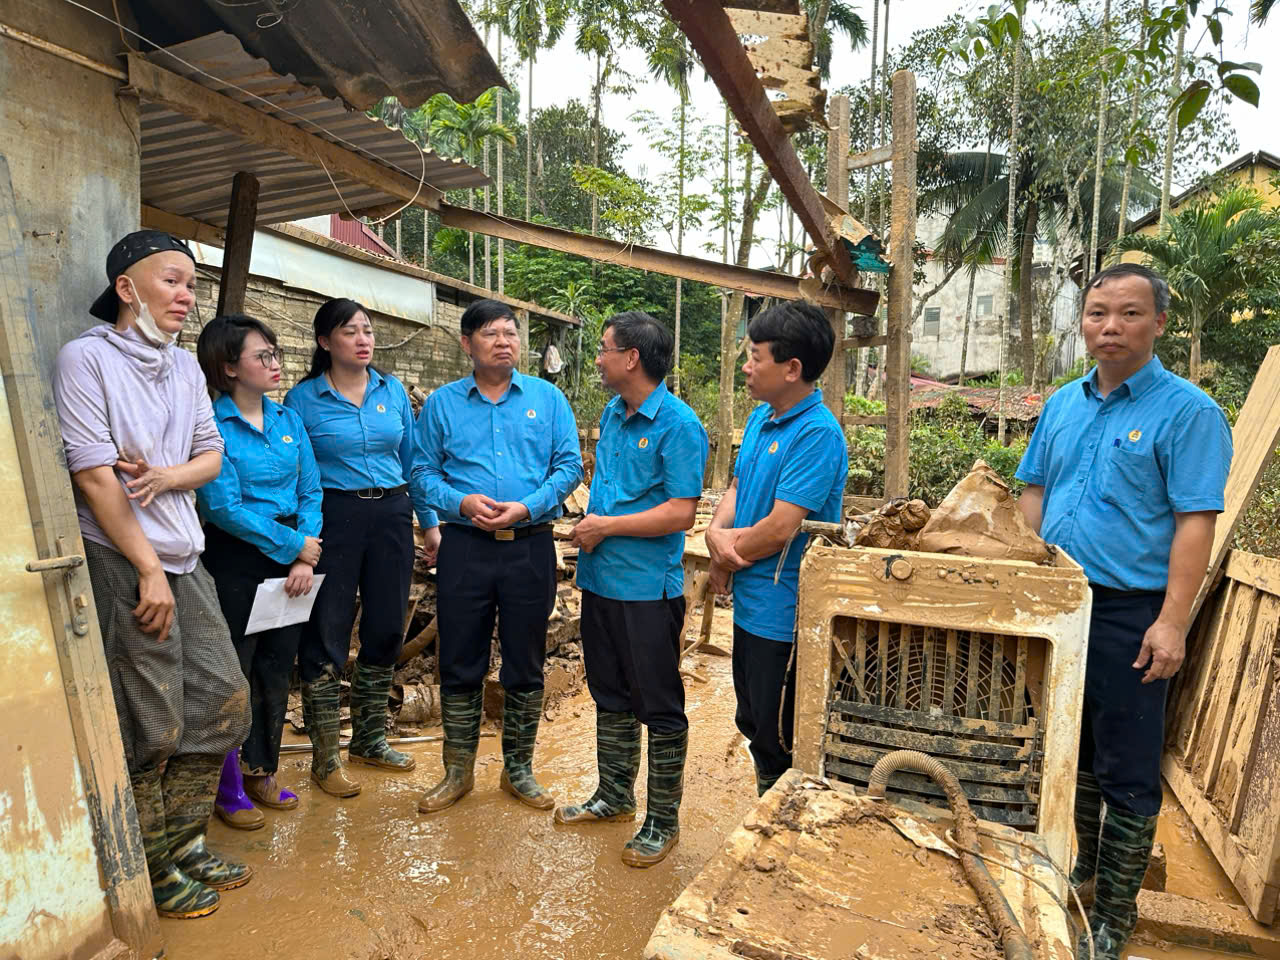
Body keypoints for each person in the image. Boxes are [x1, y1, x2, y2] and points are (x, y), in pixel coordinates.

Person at [1015, 262, 1231, 960]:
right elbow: (1034, 490)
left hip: (1130, 611)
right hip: (1058, 605)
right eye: (1098, 312)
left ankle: (1114, 919)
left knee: (1128, 768)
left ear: (1160, 323)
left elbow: (1195, 523)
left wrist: (1171, 620)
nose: (1110, 327)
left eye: (1130, 314)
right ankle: (1081, 871)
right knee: (1067, 751)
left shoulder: (1188, 412)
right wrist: (1029, 572)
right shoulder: (1062, 405)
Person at [52, 230, 252, 919]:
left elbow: (211, 455)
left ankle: (183, 840)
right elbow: (93, 475)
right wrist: (146, 568)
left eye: (192, 284)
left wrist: (167, 475)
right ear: (127, 288)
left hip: (183, 551)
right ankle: (149, 866)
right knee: (153, 723)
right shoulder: (85, 359)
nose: (186, 296)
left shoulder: (184, 369)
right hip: (122, 556)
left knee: (223, 699)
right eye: (171, 281)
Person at [416, 299, 583, 815]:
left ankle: (519, 771)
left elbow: (570, 466)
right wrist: (459, 502)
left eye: (511, 332)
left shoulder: (548, 399)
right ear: (467, 344)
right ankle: (457, 772)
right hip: (464, 547)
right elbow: (420, 473)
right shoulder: (443, 405)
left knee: (526, 660)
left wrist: (528, 506)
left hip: (530, 547)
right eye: (491, 333)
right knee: (459, 658)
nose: (504, 341)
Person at [557, 312, 709, 867]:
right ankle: (614, 795)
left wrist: (606, 526)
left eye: (603, 349)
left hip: (648, 589)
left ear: (632, 359)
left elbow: (680, 512)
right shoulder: (612, 413)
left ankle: (662, 821)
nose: (597, 358)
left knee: (660, 703)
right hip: (600, 581)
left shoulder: (679, 424)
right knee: (610, 694)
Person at [284, 299, 441, 798]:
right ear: (325, 341)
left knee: (386, 625)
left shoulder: (391, 390)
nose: (363, 339)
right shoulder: (303, 399)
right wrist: (296, 539)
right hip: (334, 517)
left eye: (368, 330)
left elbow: (413, 461)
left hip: (392, 516)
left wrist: (430, 524)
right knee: (326, 627)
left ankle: (370, 739)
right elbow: (295, 474)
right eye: (349, 331)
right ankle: (326, 759)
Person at [704, 301, 849, 797]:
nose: (746, 366)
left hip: (787, 611)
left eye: (754, 356)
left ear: (792, 369)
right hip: (752, 602)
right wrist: (714, 535)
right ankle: (770, 812)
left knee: (779, 729)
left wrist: (724, 551)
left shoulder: (817, 433)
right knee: (753, 716)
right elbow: (738, 490)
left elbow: (782, 527)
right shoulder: (765, 420)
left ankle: (781, 823)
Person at [195, 315, 324, 829]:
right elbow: (222, 507)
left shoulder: (288, 419)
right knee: (235, 672)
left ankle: (262, 770)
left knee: (276, 666)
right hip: (236, 558)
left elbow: (310, 489)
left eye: (275, 354)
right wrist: (295, 544)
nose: (275, 364)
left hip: (295, 559)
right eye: (262, 356)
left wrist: (303, 553)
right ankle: (227, 789)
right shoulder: (211, 424)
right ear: (229, 368)